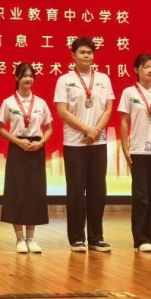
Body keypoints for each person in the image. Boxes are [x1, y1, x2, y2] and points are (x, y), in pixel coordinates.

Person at [54, 36, 115, 253]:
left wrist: (96, 130)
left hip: (98, 141)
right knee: (76, 191)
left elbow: (108, 108)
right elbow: (62, 111)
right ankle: (77, 238)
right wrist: (86, 130)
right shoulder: (64, 80)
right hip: (75, 143)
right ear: (73, 55)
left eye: (90, 52)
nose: (86, 56)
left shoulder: (103, 79)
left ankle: (96, 238)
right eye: (82, 52)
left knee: (98, 191)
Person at [0, 63, 52, 253]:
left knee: (34, 192)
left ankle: (31, 238)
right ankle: (19, 239)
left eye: (31, 76)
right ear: (17, 78)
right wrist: (18, 142)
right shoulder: (8, 102)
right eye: (24, 76)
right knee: (17, 190)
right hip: (17, 148)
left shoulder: (41, 103)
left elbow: (49, 128)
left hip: (36, 148)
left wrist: (41, 142)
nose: (28, 79)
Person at [118, 53, 151, 253]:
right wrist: (125, 147)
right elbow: (124, 121)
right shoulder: (128, 93)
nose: (149, 70)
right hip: (138, 150)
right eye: (145, 67)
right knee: (141, 195)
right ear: (136, 70)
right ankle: (140, 239)